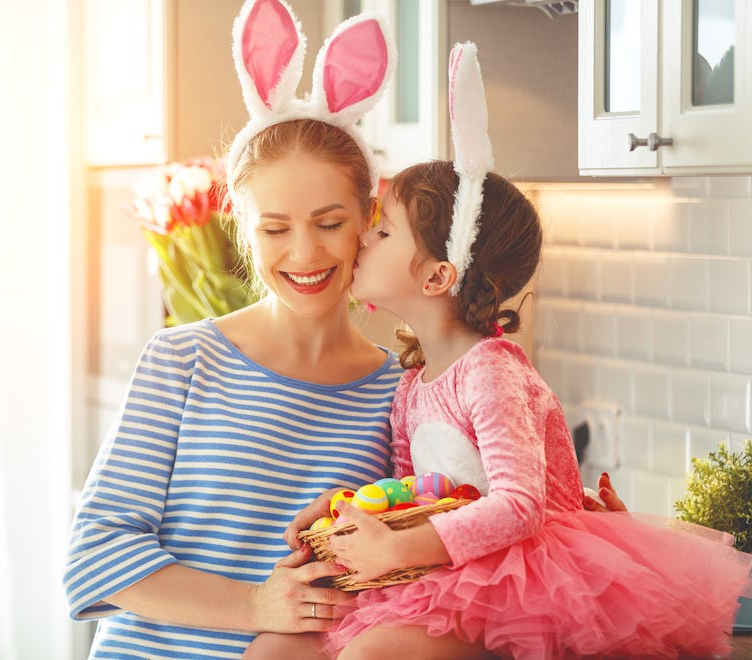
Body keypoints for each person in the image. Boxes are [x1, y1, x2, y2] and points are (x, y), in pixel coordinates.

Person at [267, 43, 752, 660]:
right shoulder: (413, 383)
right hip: (442, 576)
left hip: (522, 585)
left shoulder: (489, 371)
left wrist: (399, 551)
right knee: (275, 649)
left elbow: (520, 507)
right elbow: (412, 491)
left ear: (438, 277)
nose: (363, 237)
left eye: (383, 230)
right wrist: (338, 511)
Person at [63, 1, 401, 657]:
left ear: (369, 214)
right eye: (275, 229)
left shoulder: (398, 392)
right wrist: (252, 605)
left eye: (329, 223)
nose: (304, 252)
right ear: (243, 229)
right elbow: (96, 552)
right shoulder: (183, 359)